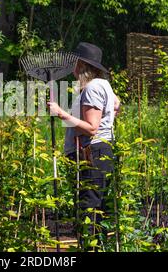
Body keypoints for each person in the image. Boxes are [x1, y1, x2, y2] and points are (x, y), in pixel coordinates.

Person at [47, 42, 120, 249]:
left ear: (81, 64)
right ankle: (98, 246)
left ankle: (89, 247)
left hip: (91, 152)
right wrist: (109, 119)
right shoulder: (103, 84)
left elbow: (91, 127)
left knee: (88, 207)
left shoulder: (92, 88)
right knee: (98, 205)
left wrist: (61, 113)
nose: (71, 67)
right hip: (101, 150)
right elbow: (117, 104)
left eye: (74, 62)